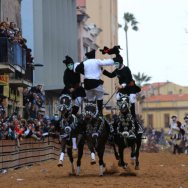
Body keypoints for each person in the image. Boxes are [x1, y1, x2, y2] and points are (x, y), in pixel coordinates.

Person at [101, 46, 143, 135]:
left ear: (120, 63)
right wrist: (103, 71)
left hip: (130, 88)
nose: (115, 65)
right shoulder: (117, 70)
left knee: (132, 99)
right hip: (122, 89)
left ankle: (133, 116)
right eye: (114, 64)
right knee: (117, 96)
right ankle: (121, 111)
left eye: (116, 64)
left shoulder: (126, 69)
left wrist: (122, 86)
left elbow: (128, 79)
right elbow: (111, 75)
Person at [75, 49, 117, 116]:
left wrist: (84, 71)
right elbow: (106, 62)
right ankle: (100, 113)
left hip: (87, 85)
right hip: (96, 84)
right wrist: (115, 60)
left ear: (88, 57)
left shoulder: (84, 63)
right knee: (99, 97)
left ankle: (89, 111)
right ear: (94, 56)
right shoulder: (97, 61)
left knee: (90, 99)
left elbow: (77, 69)